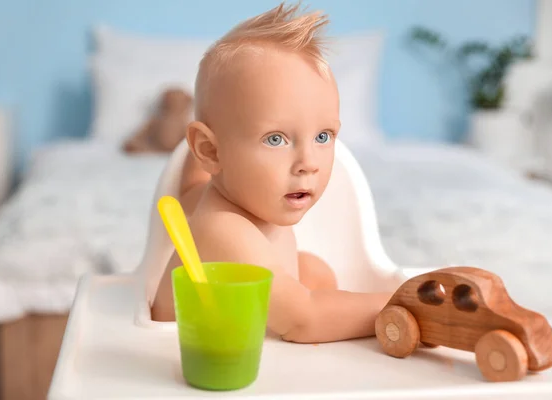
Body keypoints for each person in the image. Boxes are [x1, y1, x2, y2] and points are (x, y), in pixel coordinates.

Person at [151, 2, 401, 343]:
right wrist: (405, 303)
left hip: (248, 344)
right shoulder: (221, 228)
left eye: (323, 137)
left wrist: (204, 156)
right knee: (308, 292)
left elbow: (192, 188)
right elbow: (304, 320)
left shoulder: (226, 203)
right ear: (210, 150)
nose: (308, 162)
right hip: (185, 369)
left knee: (313, 269)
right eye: (276, 139)